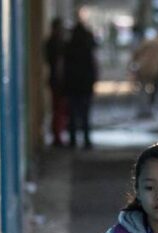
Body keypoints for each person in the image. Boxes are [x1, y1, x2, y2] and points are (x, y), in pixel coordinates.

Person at [62, 14, 98, 149]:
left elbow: (64, 67)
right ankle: (86, 140)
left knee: (72, 114)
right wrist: (93, 80)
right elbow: (92, 65)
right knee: (85, 113)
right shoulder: (87, 47)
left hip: (72, 84)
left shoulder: (69, 47)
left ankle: (72, 140)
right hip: (85, 84)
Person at [43, 18, 68, 147]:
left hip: (55, 80)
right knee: (58, 109)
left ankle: (58, 134)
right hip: (58, 81)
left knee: (58, 109)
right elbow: (58, 64)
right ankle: (57, 136)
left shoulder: (51, 43)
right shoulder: (57, 44)